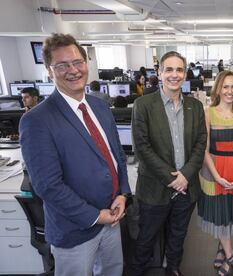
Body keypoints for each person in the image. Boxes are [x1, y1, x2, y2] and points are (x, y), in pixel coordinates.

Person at [19, 33, 131, 276]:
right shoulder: (37, 120)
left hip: (112, 216)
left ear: (86, 63)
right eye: (62, 65)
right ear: (50, 71)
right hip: (75, 227)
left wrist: (122, 193)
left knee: (112, 271)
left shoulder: (100, 106)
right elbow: (48, 186)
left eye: (78, 62)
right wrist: (95, 216)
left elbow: (116, 155)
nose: (73, 70)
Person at [130, 51, 207, 276]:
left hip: (187, 188)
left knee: (178, 235)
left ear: (185, 74)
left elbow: (200, 143)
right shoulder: (143, 105)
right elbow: (142, 148)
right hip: (154, 189)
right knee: (146, 239)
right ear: (160, 73)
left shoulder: (195, 106)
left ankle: (173, 267)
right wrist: (173, 179)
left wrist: (186, 176)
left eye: (179, 70)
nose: (175, 75)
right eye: (169, 69)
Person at [198, 70, 233, 276]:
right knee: (218, 213)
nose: (230, 91)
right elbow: (204, 148)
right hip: (213, 169)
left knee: (230, 212)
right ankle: (230, 254)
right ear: (218, 89)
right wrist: (217, 176)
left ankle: (222, 247)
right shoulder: (208, 112)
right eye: (226, 86)